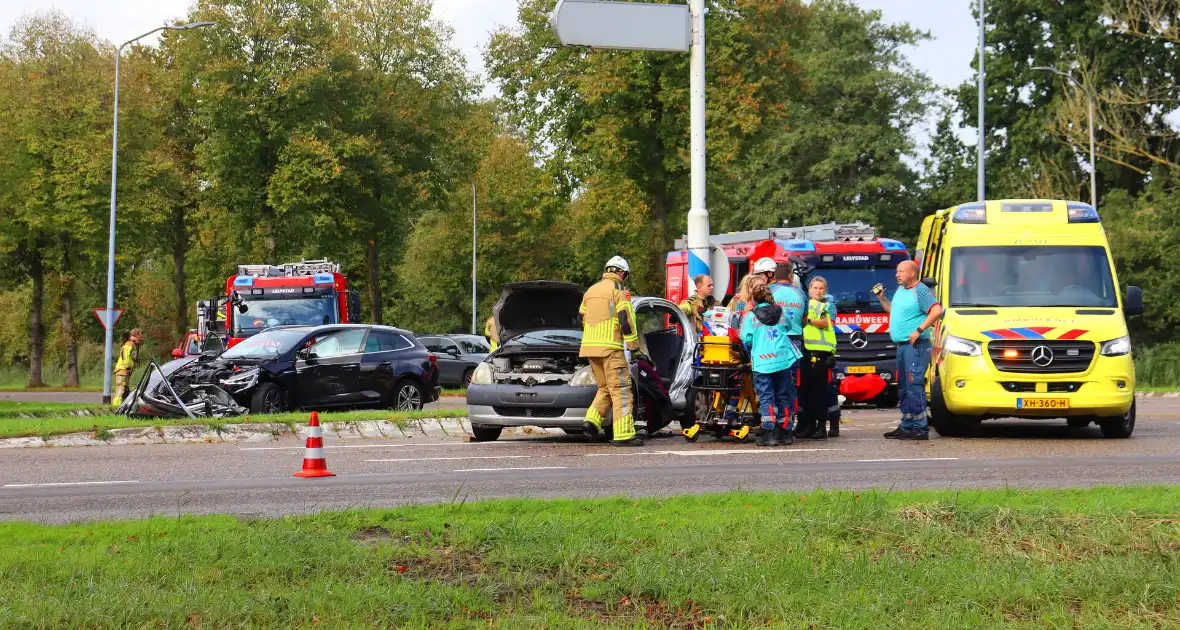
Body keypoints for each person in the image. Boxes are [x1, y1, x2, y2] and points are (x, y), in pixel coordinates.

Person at [579, 256, 644, 446]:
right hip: (611, 348)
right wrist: (634, 347)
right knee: (621, 390)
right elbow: (626, 320)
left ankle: (591, 420)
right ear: (622, 273)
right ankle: (624, 434)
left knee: (605, 387)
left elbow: (580, 317)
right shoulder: (620, 291)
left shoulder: (590, 291)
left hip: (590, 348)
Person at [876, 260, 944, 440]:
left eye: (901, 271)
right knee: (904, 388)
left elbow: (937, 311)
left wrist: (919, 330)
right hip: (903, 346)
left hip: (916, 345)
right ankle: (907, 425)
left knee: (914, 386)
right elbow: (894, 312)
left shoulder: (920, 290)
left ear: (912, 274)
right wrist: (882, 298)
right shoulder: (901, 290)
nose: (897, 274)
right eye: (897, 271)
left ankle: (920, 428)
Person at [741, 284, 802, 446]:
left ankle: (769, 434)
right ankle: (786, 432)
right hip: (782, 360)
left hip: (762, 363)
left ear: (754, 299)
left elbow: (745, 338)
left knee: (767, 397)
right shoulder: (780, 312)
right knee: (783, 396)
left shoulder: (751, 317)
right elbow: (789, 326)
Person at [801, 277, 837, 440]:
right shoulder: (805, 304)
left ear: (825, 290)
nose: (818, 291)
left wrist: (809, 320)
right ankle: (809, 426)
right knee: (807, 392)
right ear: (809, 290)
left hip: (822, 354)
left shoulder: (829, 306)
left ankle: (822, 427)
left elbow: (826, 323)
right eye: (815, 288)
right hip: (807, 352)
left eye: (821, 288)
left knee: (821, 392)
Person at [112, 328, 144, 407]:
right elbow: (125, 356)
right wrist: (128, 367)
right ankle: (115, 408)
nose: (142, 337)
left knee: (125, 392)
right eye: (141, 335)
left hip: (125, 371)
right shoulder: (129, 344)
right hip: (123, 370)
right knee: (121, 390)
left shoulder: (132, 344)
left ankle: (123, 407)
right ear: (136, 335)